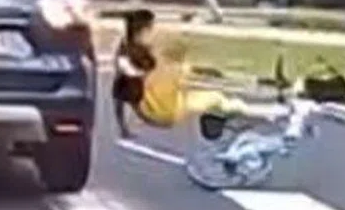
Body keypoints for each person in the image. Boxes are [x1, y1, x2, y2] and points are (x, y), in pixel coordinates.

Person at [131, 31, 312, 137]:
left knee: (203, 98)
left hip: (151, 111)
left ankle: (237, 113)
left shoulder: (147, 67)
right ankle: (267, 112)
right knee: (217, 98)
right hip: (168, 113)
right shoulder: (178, 69)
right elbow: (201, 75)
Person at [111, 9, 157, 138]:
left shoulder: (135, 42)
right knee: (126, 101)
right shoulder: (131, 42)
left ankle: (126, 127)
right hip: (129, 74)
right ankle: (125, 128)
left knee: (126, 102)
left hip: (129, 74)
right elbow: (122, 59)